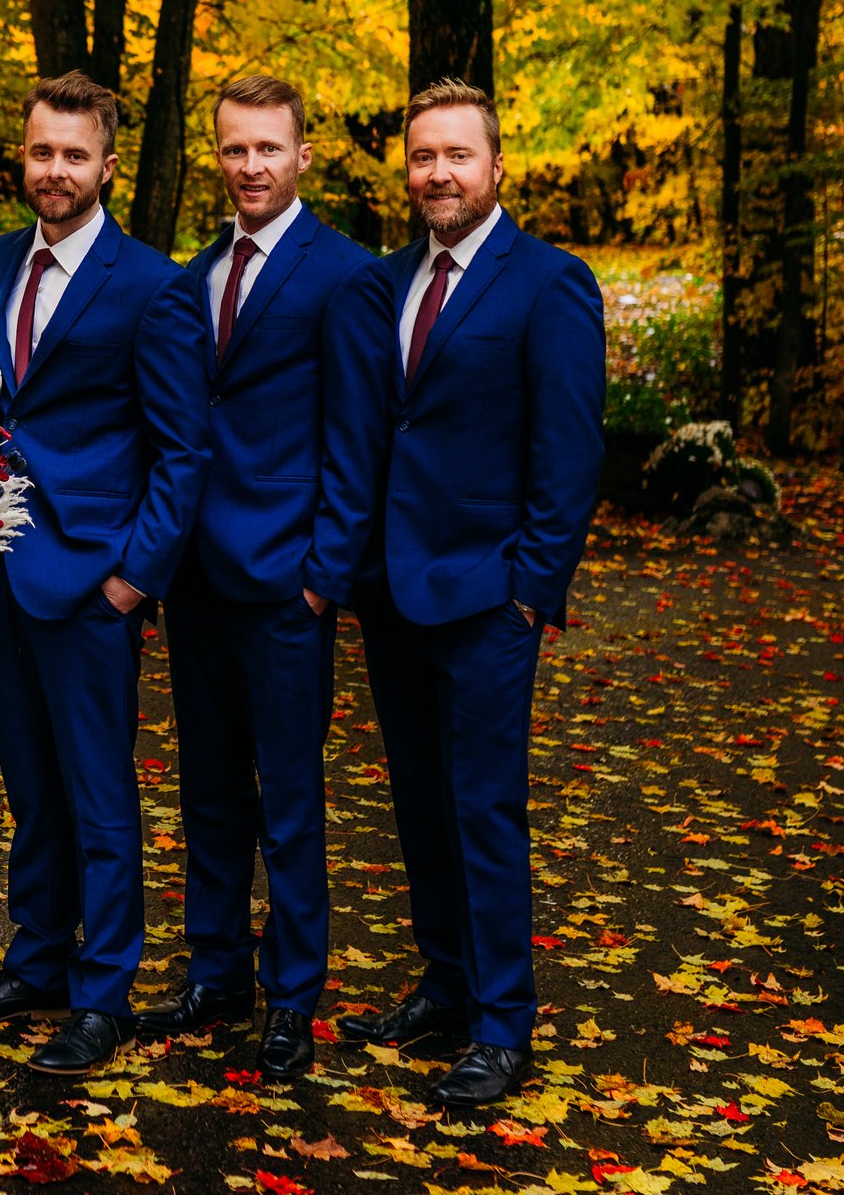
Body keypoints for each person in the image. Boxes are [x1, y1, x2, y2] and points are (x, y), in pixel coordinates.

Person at [309, 79, 605, 1106]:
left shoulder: (548, 282)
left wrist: (532, 589)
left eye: (456, 155)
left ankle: (502, 1019)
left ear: (494, 167)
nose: (438, 171)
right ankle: (442, 983)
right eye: (422, 155)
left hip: (488, 595)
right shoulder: (382, 284)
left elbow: (568, 451)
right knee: (418, 802)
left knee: (483, 805)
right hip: (393, 591)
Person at [0, 71, 210, 1076]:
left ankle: (103, 987)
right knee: (29, 781)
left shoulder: (153, 283)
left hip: (95, 574)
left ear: (107, 163)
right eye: (41, 151)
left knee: (101, 793)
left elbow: (183, 449)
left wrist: (133, 579)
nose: (55, 170)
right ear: (22, 157)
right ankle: (38, 956)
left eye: (74, 154)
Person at [137, 76, 375, 1080]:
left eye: (267, 148)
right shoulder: (190, 275)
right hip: (196, 574)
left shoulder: (346, 274)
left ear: (302, 153)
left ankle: (295, 987)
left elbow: (357, 442)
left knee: (288, 793)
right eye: (234, 150)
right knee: (207, 787)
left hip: (287, 581)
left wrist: (325, 575)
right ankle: (217, 968)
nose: (249, 166)